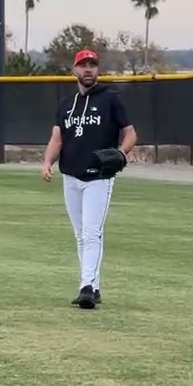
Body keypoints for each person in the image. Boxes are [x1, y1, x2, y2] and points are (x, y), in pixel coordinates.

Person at [40, 48, 137, 309]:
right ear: (74, 70)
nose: (88, 69)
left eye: (92, 65)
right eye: (83, 65)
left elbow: (129, 133)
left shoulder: (111, 100)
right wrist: (48, 161)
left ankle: (86, 287)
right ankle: (93, 287)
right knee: (81, 235)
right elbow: (57, 137)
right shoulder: (65, 105)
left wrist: (121, 152)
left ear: (98, 70)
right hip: (70, 175)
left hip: (99, 176)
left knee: (92, 231)